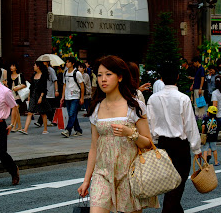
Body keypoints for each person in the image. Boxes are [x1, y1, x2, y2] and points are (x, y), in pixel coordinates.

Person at [77, 55, 159, 213]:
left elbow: (149, 143)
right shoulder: (96, 107)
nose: (103, 80)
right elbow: (94, 147)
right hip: (102, 173)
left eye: (108, 74)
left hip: (130, 174)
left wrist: (131, 133)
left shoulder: (135, 106)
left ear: (120, 77)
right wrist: (87, 180)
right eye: (99, 75)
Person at [147, 61, 201, 213]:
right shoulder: (183, 98)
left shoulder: (153, 99)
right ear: (177, 77)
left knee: (169, 184)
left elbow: (150, 124)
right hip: (180, 145)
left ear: (161, 79)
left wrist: (150, 144)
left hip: (162, 144)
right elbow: (190, 125)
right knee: (178, 184)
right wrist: (196, 149)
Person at [19, 61, 51, 135]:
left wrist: (41, 97)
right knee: (30, 112)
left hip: (40, 95)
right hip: (33, 94)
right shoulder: (34, 75)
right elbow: (31, 86)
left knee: (42, 113)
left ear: (38, 66)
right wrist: (29, 95)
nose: (34, 66)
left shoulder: (43, 75)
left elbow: (44, 88)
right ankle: (25, 129)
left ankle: (45, 129)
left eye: (35, 65)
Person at [60, 57, 84, 137]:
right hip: (67, 96)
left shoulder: (77, 73)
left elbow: (82, 85)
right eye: (66, 62)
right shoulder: (65, 72)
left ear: (73, 63)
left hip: (75, 96)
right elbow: (64, 85)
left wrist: (82, 97)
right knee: (72, 114)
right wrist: (62, 97)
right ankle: (78, 130)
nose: (66, 63)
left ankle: (68, 130)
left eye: (68, 62)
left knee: (71, 114)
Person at [34, 55, 59, 127]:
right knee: (46, 107)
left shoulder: (51, 70)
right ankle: (49, 120)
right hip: (44, 91)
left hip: (50, 91)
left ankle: (48, 120)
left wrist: (56, 90)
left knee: (48, 107)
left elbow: (55, 80)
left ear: (47, 62)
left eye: (44, 62)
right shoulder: (42, 70)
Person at [7, 62, 26, 132]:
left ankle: (14, 126)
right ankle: (20, 126)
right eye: (11, 66)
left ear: (16, 67)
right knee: (16, 110)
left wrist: (18, 88)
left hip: (18, 94)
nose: (11, 67)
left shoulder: (20, 75)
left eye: (13, 66)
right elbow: (8, 86)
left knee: (16, 108)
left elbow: (24, 84)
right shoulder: (9, 76)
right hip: (11, 94)